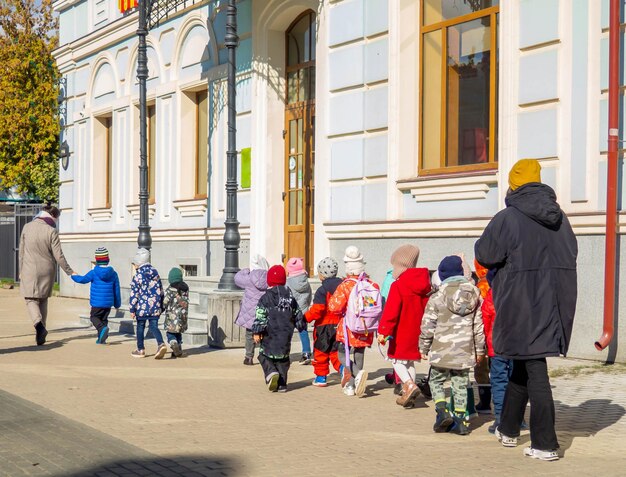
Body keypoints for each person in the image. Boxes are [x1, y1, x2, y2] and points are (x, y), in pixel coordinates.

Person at [475, 159, 578, 461]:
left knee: (536, 370)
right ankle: (507, 428)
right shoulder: (560, 218)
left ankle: (546, 444)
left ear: (513, 185)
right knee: (523, 362)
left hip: (521, 303)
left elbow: (485, 253)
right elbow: (572, 252)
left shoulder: (508, 218)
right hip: (554, 301)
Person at [419, 256, 485, 436]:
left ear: (441, 275)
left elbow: (428, 326)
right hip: (465, 351)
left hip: (441, 351)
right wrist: (480, 350)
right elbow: (478, 326)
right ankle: (461, 421)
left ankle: (441, 411)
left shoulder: (437, 297)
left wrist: (423, 348)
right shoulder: (475, 294)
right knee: (460, 384)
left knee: (436, 380)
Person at [378, 244, 431, 408]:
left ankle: (409, 384)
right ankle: (409, 393)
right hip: (417, 330)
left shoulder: (398, 285)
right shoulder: (424, 286)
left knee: (395, 359)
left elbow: (391, 312)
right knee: (409, 362)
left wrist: (383, 330)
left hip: (401, 331)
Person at [18, 204, 75, 346]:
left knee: (30, 299)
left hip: (29, 269)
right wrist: (69, 271)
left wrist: (21, 271)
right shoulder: (51, 231)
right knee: (43, 300)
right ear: (53, 217)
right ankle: (41, 334)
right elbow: (58, 256)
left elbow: (22, 253)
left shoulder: (27, 227)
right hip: (47, 270)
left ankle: (39, 326)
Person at [328, 246, 379, 397]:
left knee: (342, 354)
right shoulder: (371, 284)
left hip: (348, 327)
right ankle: (354, 384)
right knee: (359, 354)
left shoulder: (346, 285)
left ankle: (356, 377)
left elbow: (333, 307)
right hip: (366, 326)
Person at [252, 265, 306, 392]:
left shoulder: (266, 297)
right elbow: (297, 313)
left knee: (264, 355)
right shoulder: (290, 296)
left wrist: (257, 331)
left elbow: (261, 315)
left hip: (269, 334)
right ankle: (282, 384)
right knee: (283, 359)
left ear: (269, 280)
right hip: (285, 334)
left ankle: (271, 372)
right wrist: (301, 325)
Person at [304, 257, 343, 387]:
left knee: (321, 352)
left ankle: (321, 377)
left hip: (323, 326)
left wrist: (306, 318)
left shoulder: (322, 290)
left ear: (322, 274)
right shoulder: (342, 287)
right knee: (335, 352)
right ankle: (344, 370)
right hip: (339, 324)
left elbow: (318, 310)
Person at [71, 247, 121, 344]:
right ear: (108, 259)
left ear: (96, 260)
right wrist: (117, 304)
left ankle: (102, 330)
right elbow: (117, 289)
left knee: (94, 317)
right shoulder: (113, 274)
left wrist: (74, 275)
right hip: (108, 304)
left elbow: (83, 280)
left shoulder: (93, 272)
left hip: (97, 303)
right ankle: (101, 339)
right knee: (103, 319)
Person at [129, 248, 167, 359]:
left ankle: (140, 349)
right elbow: (161, 289)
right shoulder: (155, 272)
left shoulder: (138, 275)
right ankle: (161, 343)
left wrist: (132, 309)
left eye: (135, 263)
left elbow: (134, 293)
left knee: (140, 327)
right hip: (155, 306)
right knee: (153, 326)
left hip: (141, 307)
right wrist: (161, 305)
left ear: (138, 263)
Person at [234, 255, 269, 365]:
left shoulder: (249, 278)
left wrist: (245, 270)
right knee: (265, 334)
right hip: (263, 312)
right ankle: (264, 355)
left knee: (249, 335)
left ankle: (249, 357)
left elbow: (237, 279)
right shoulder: (268, 278)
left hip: (249, 312)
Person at [285, 257, 313, 364]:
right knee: (303, 331)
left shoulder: (287, 283)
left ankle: (285, 353)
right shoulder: (306, 282)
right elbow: (309, 296)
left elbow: (286, 297)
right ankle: (306, 353)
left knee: (288, 333)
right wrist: (306, 305)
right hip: (303, 311)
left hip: (291, 312)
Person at [163, 267, 189, 358]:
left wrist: (161, 308)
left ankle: (173, 343)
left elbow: (165, 302)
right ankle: (178, 350)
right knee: (178, 333)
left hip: (172, 317)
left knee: (171, 333)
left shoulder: (170, 289)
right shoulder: (185, 288)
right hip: (182, 317)